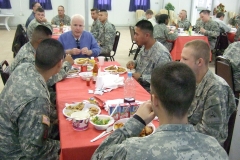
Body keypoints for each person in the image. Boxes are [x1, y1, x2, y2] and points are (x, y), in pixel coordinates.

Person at [92, 62, 228, 160]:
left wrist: (136, 122)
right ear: (192, 99)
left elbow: (98, 156)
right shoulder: (216, 150)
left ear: (154, 100)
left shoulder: (132, 150)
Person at [0, 39, 63, 159]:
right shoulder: (38, 99)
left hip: (10, 134)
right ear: (60, 64)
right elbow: (33, 151)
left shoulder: (24, 67)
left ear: (35, 56)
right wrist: (64, 146)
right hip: (12, 152)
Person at [180, 39, 236, 146]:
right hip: (190, 135)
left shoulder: (216, 88)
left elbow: (209, 132)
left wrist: (178, 130)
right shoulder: (192, 79)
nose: (180, 62)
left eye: (185, 59)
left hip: (206, 146)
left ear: (199, 62)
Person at [126, 20, 172, 92]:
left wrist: (141, 77)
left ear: (147, 35)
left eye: (137, 34)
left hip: (150, 92)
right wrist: (134, 63)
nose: (134, 37)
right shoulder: (144, 46)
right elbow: (141, 63)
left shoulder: (162, 54)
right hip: (138, 85)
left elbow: (164, 79)